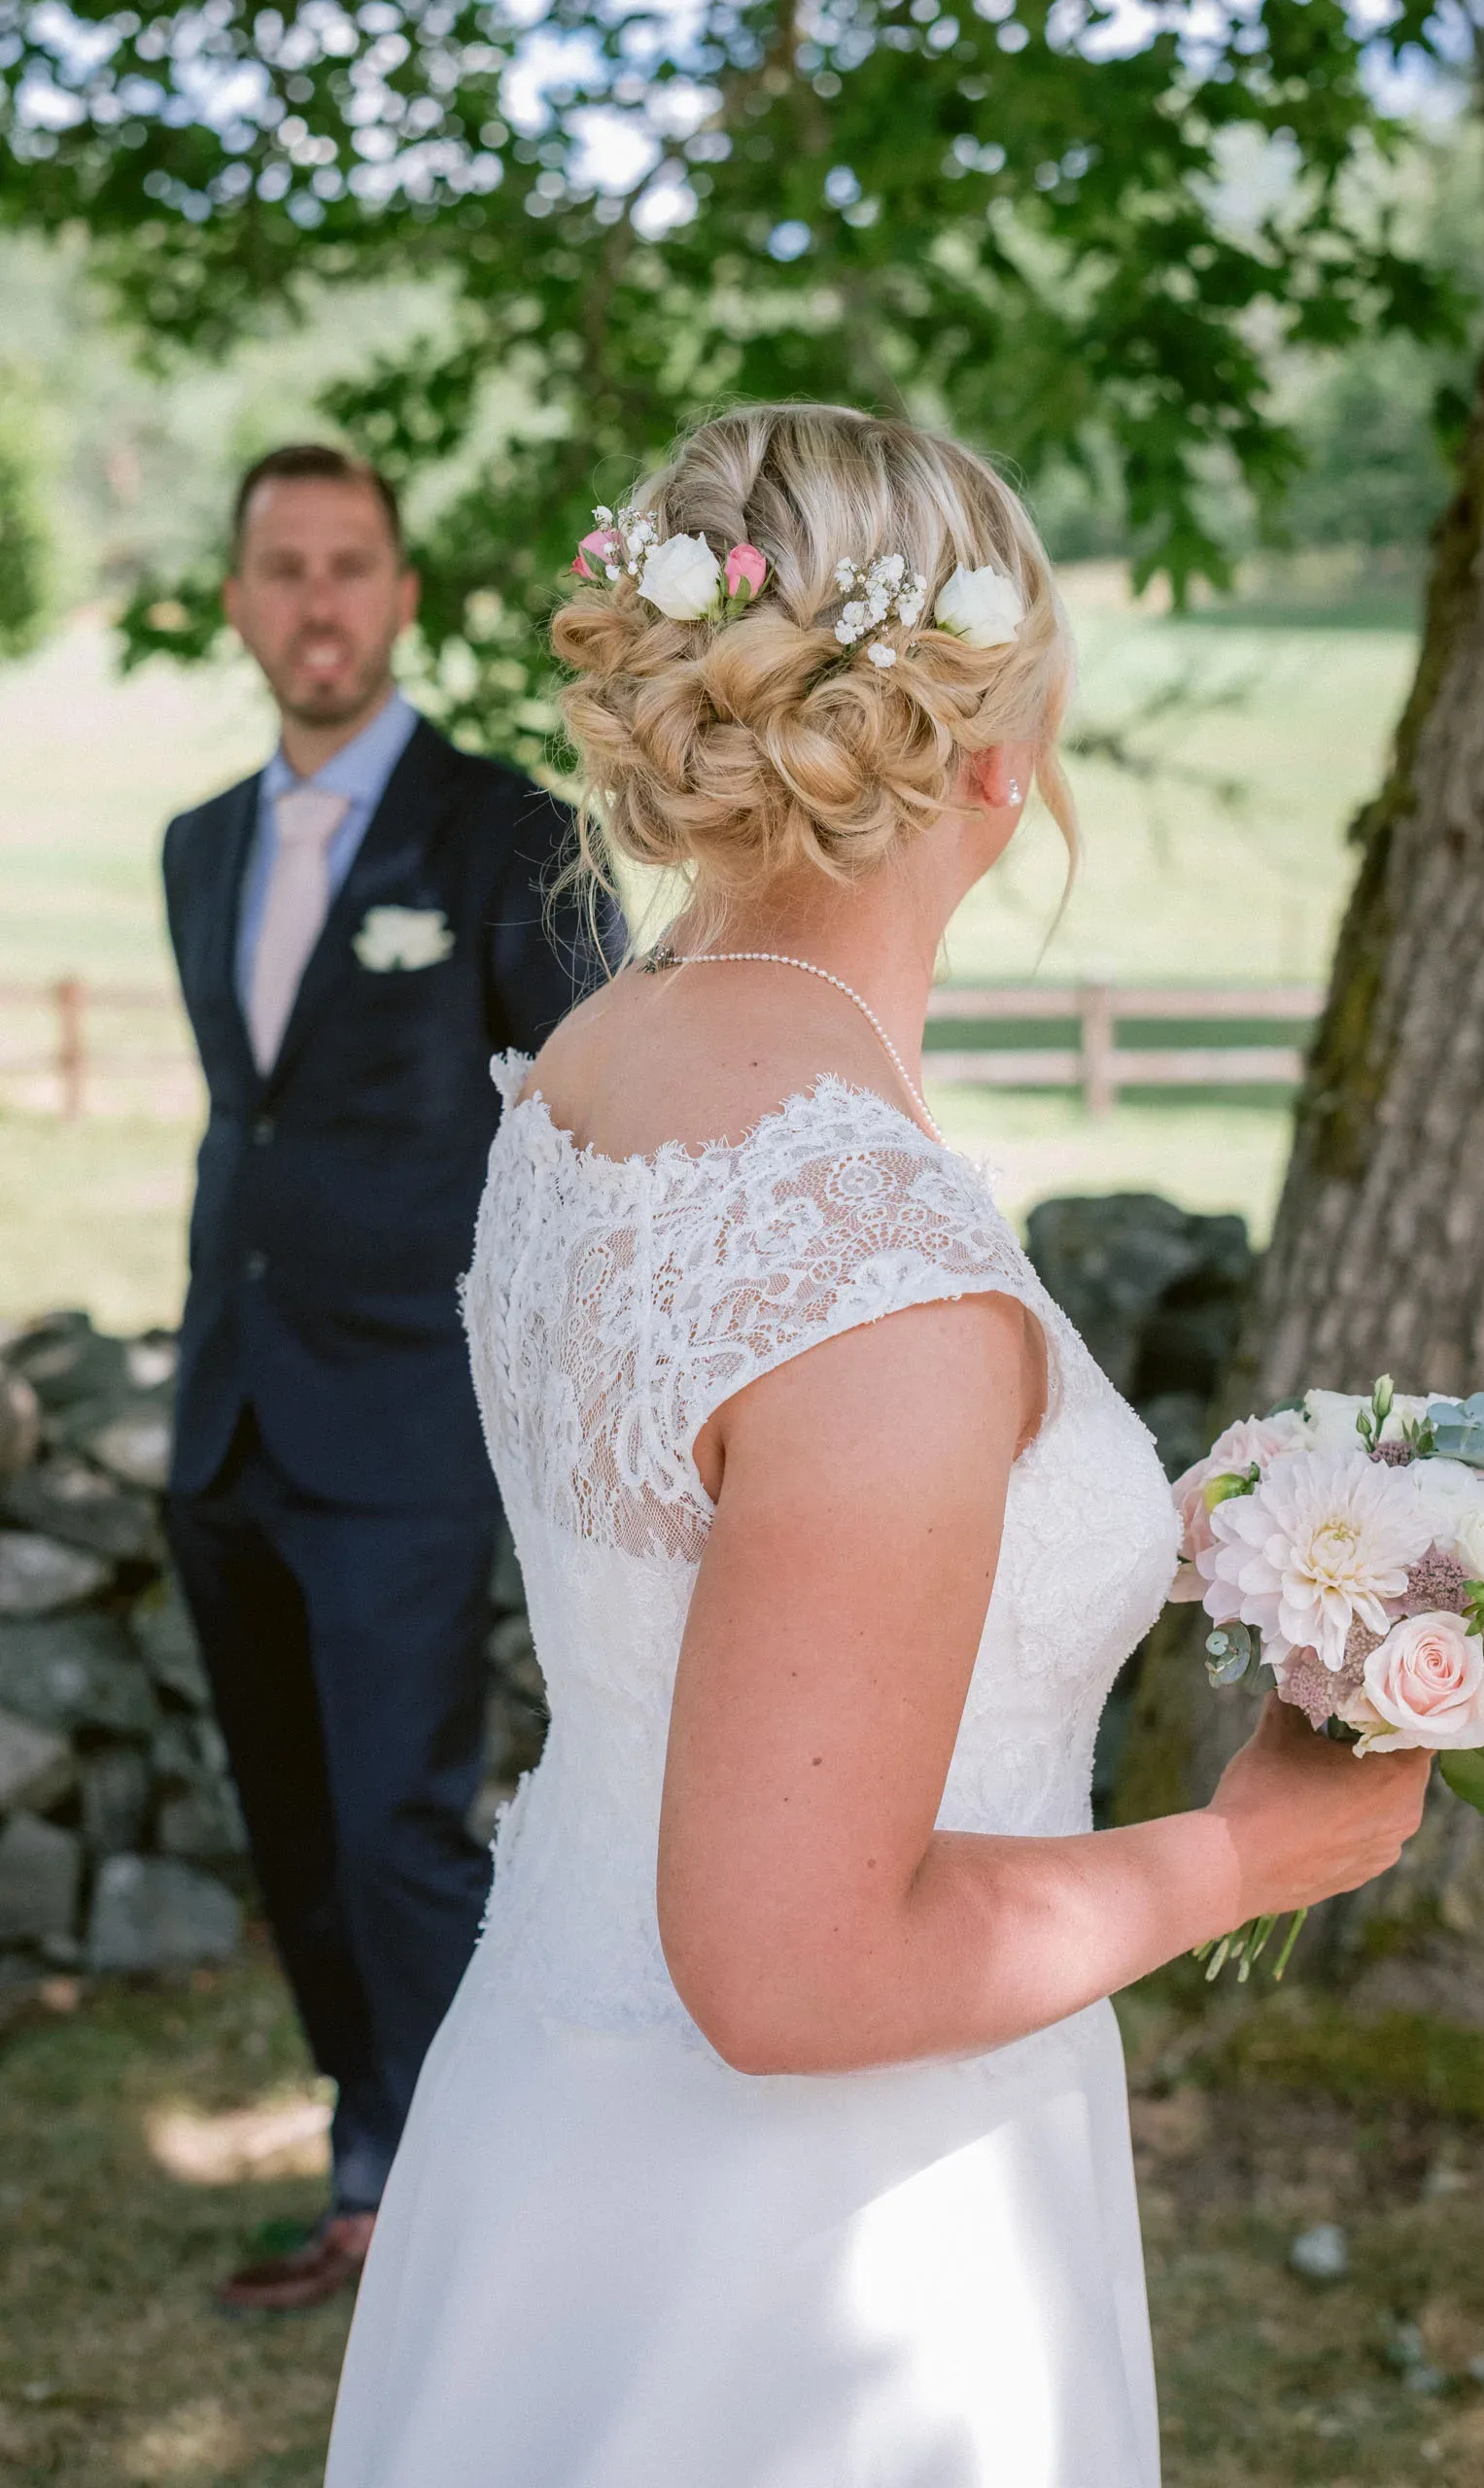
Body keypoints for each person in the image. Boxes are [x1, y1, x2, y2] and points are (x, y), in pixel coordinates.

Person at [324, 406, 1428, 2483]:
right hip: (816, 2257)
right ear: (994, 758)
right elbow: (795, 1970)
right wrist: (1251, 1855)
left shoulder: (603, 1062)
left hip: (550, 2119)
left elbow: (712, 1538)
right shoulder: (868, 1264)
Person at [160, 443, 619, 2313]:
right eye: (283, 567)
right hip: (228, 1423)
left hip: (411, 1431)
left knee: (399, 1832)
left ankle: (465, 2212)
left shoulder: (504, 830)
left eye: (351, 564)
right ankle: (372, 2163)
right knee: (293, 1830)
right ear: (237, 600)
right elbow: (253, 1128)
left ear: (403, 594)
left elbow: (602, 1125)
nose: (318, 602)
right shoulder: (199, 843)